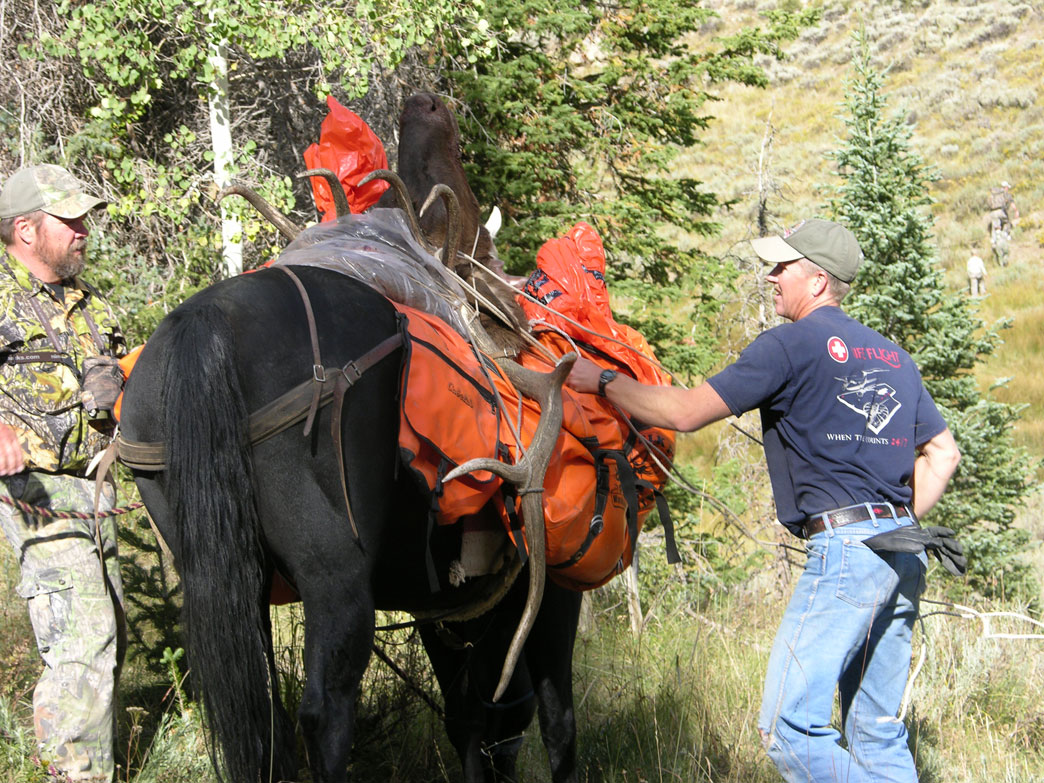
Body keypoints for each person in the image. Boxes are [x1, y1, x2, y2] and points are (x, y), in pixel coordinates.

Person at [566, 218, 962, 783]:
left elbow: (684, 413)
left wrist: (599, 381)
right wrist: (887, 523)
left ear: (818, 280)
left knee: (788, 730)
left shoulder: (789, 344)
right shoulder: (894, 358)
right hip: (904, 546)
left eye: (783, 266)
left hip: (849, 551)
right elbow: (943, 454)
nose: (770, 275)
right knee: (875, 730)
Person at [0, 164, 127, 782]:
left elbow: (122, 365)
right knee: (84, 636)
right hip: (37, 493)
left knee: (113, 633)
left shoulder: (89, 301)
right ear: (25, 229)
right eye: (69, 219)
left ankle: (95, 763)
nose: (84, 230)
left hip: (98, 488)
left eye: (84, 218)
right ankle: (76, 776)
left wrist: (119, 378)